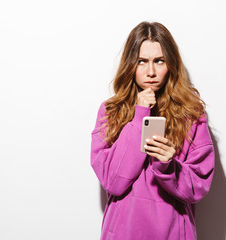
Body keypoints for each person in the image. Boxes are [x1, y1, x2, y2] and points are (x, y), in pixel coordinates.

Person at [90, 21, 214, 240]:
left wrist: (169, 166)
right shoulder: (111, 111)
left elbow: (197, 187)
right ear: (131, 64)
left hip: (173, 231)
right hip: (123, 232)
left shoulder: (192, 113)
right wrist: (139, 116)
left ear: (171, 64)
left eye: (159, 61)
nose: (150, 72)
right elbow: (113, 182)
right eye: (141, 62)